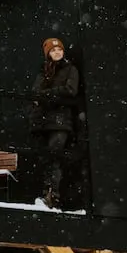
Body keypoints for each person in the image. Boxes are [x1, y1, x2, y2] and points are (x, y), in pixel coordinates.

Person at [30, 37, 79, 207]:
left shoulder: (70, 69)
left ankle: (53, 196)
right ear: (48, 54)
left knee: (54, 157)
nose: (57, 52)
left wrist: (48, 94)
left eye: (59, 49)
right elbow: (35, 92)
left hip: (60, 121)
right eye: (53, 50)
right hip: (43, 121)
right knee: (46, 159)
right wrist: (51, 95)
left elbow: (70, 91)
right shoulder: (44, 70)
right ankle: (46, 194)